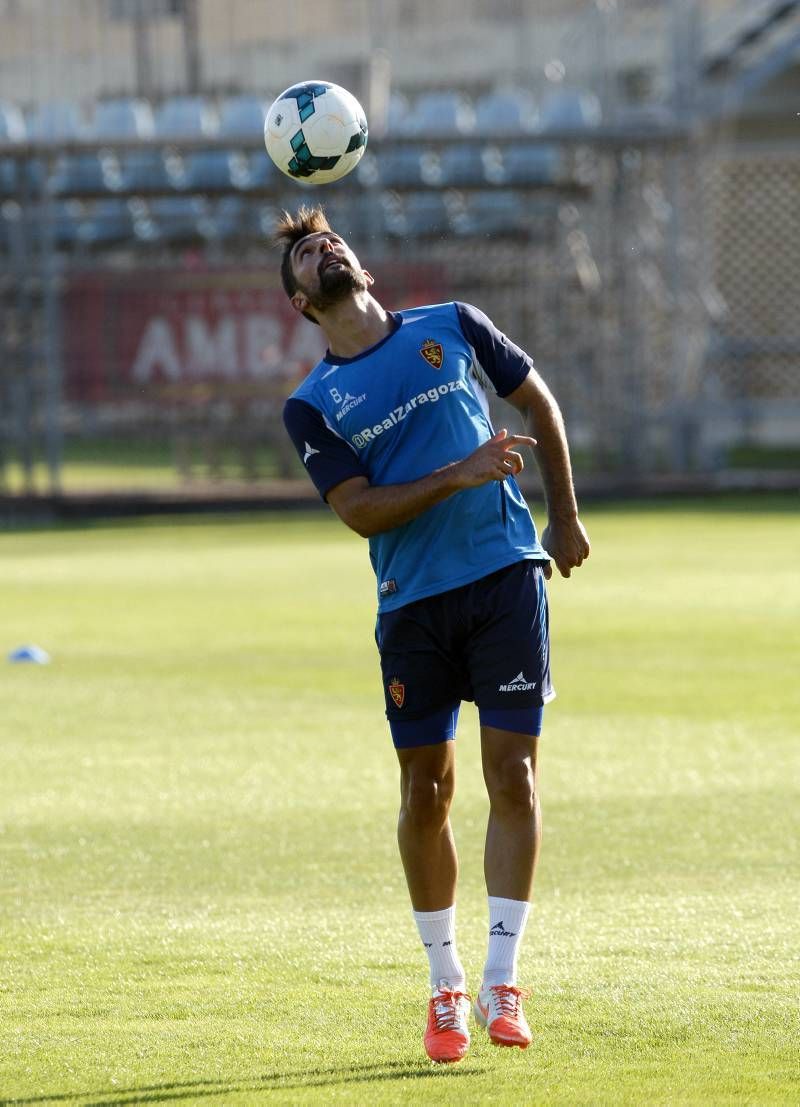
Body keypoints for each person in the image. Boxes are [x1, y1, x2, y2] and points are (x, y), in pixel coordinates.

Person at [278, 205, 590, 1064]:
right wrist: (460, 472)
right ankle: (444, 985)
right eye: (306, 255)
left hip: (504, 577)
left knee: (515, 777)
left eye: (330, 241)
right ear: (303, 302)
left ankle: (502, 979)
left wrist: (563, 515)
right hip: (412, 603)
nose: (323, 251)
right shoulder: (311, 406)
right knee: (426, 793)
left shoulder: (453, 326)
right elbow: (358, 510)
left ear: (362, 267)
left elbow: (539, 402)